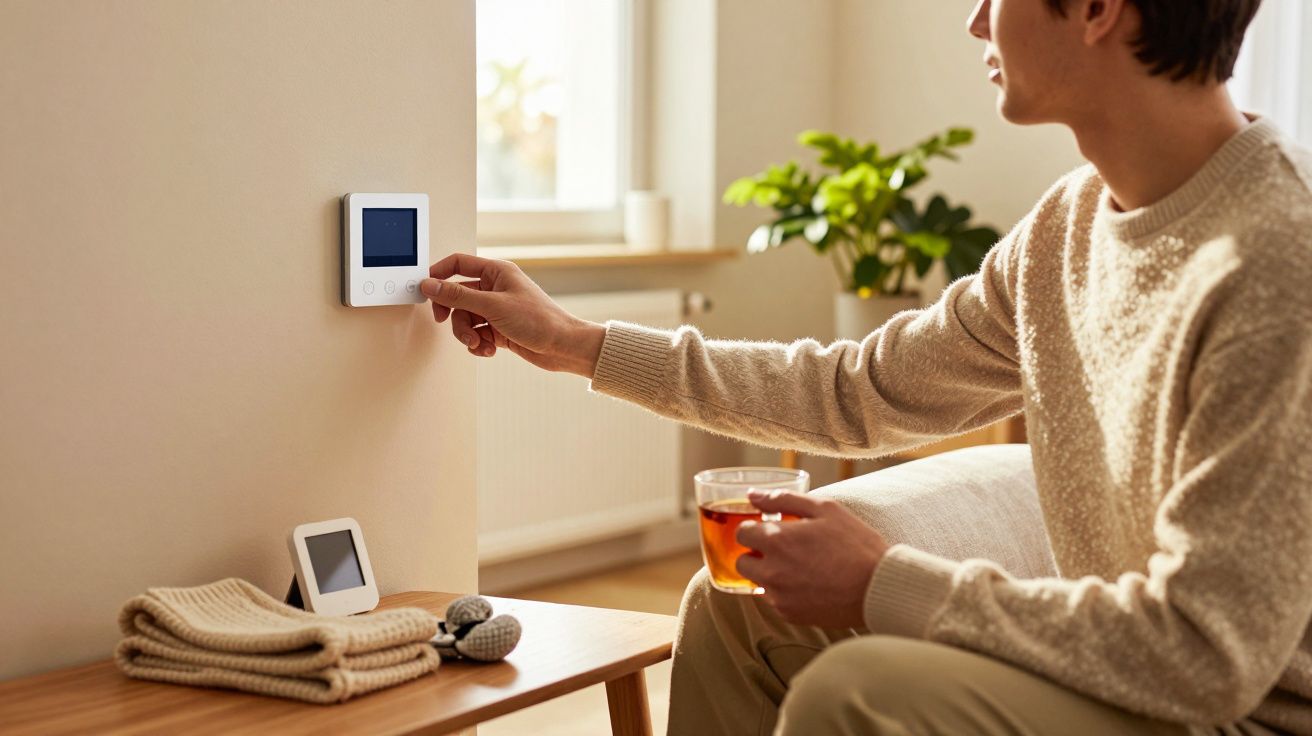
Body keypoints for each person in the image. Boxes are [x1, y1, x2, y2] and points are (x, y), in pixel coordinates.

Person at [423, 0, 1312, 732]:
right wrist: (574, 342)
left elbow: (1206, 655)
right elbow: (857, 391)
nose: (975, 22)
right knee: (735, 605)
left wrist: (885, 583)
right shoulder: (1065, 231)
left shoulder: (1276, 260)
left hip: (1237, 713)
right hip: (1134, 664)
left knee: (857, 693)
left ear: (1094, 9)